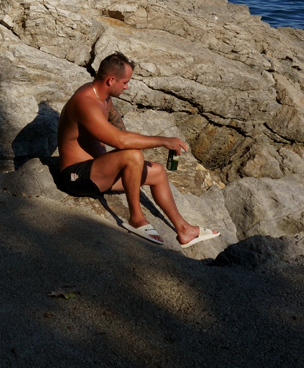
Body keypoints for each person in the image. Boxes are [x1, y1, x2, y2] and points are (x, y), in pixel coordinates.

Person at [56, 52, 220, 248]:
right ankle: (136, 218)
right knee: (133, 155)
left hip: (99, 172)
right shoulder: (86, 102)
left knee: (157, 171)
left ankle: (184, 230)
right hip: (77, 176)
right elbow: (120, 141)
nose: (127, 87)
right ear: (111, 80)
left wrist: (130, 156)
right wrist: (162, 141)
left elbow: (118, 125)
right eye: (125, 82)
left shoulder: (104, 97)